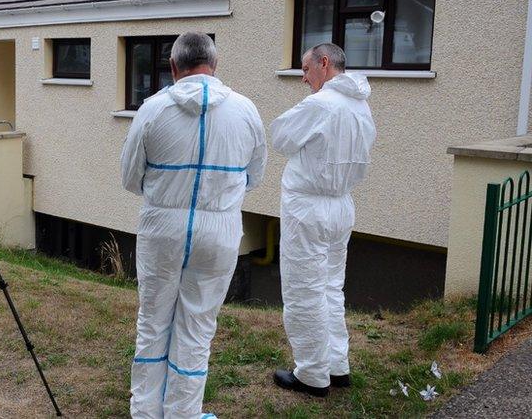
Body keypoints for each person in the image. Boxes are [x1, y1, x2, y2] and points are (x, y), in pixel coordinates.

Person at [121, 31, 267, 418]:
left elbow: (130, 177)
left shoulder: (152, 109)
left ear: (173, 66)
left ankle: (145, 413)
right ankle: (183, 414)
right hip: (219, 229)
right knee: (197, 327)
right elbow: (255, 175)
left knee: (153, 323)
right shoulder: (246, 110)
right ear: (215, 65)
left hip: (161, 228)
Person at [270, 43, 376, 397]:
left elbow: (281, 137)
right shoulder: (361, 107)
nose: (303, 78)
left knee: (305, 290)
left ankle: (312, 375)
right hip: (341, 206)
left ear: (324, 63)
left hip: (309, 209)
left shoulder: (320, 104)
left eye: (305, 69)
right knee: (331, 287)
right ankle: (336, 365)